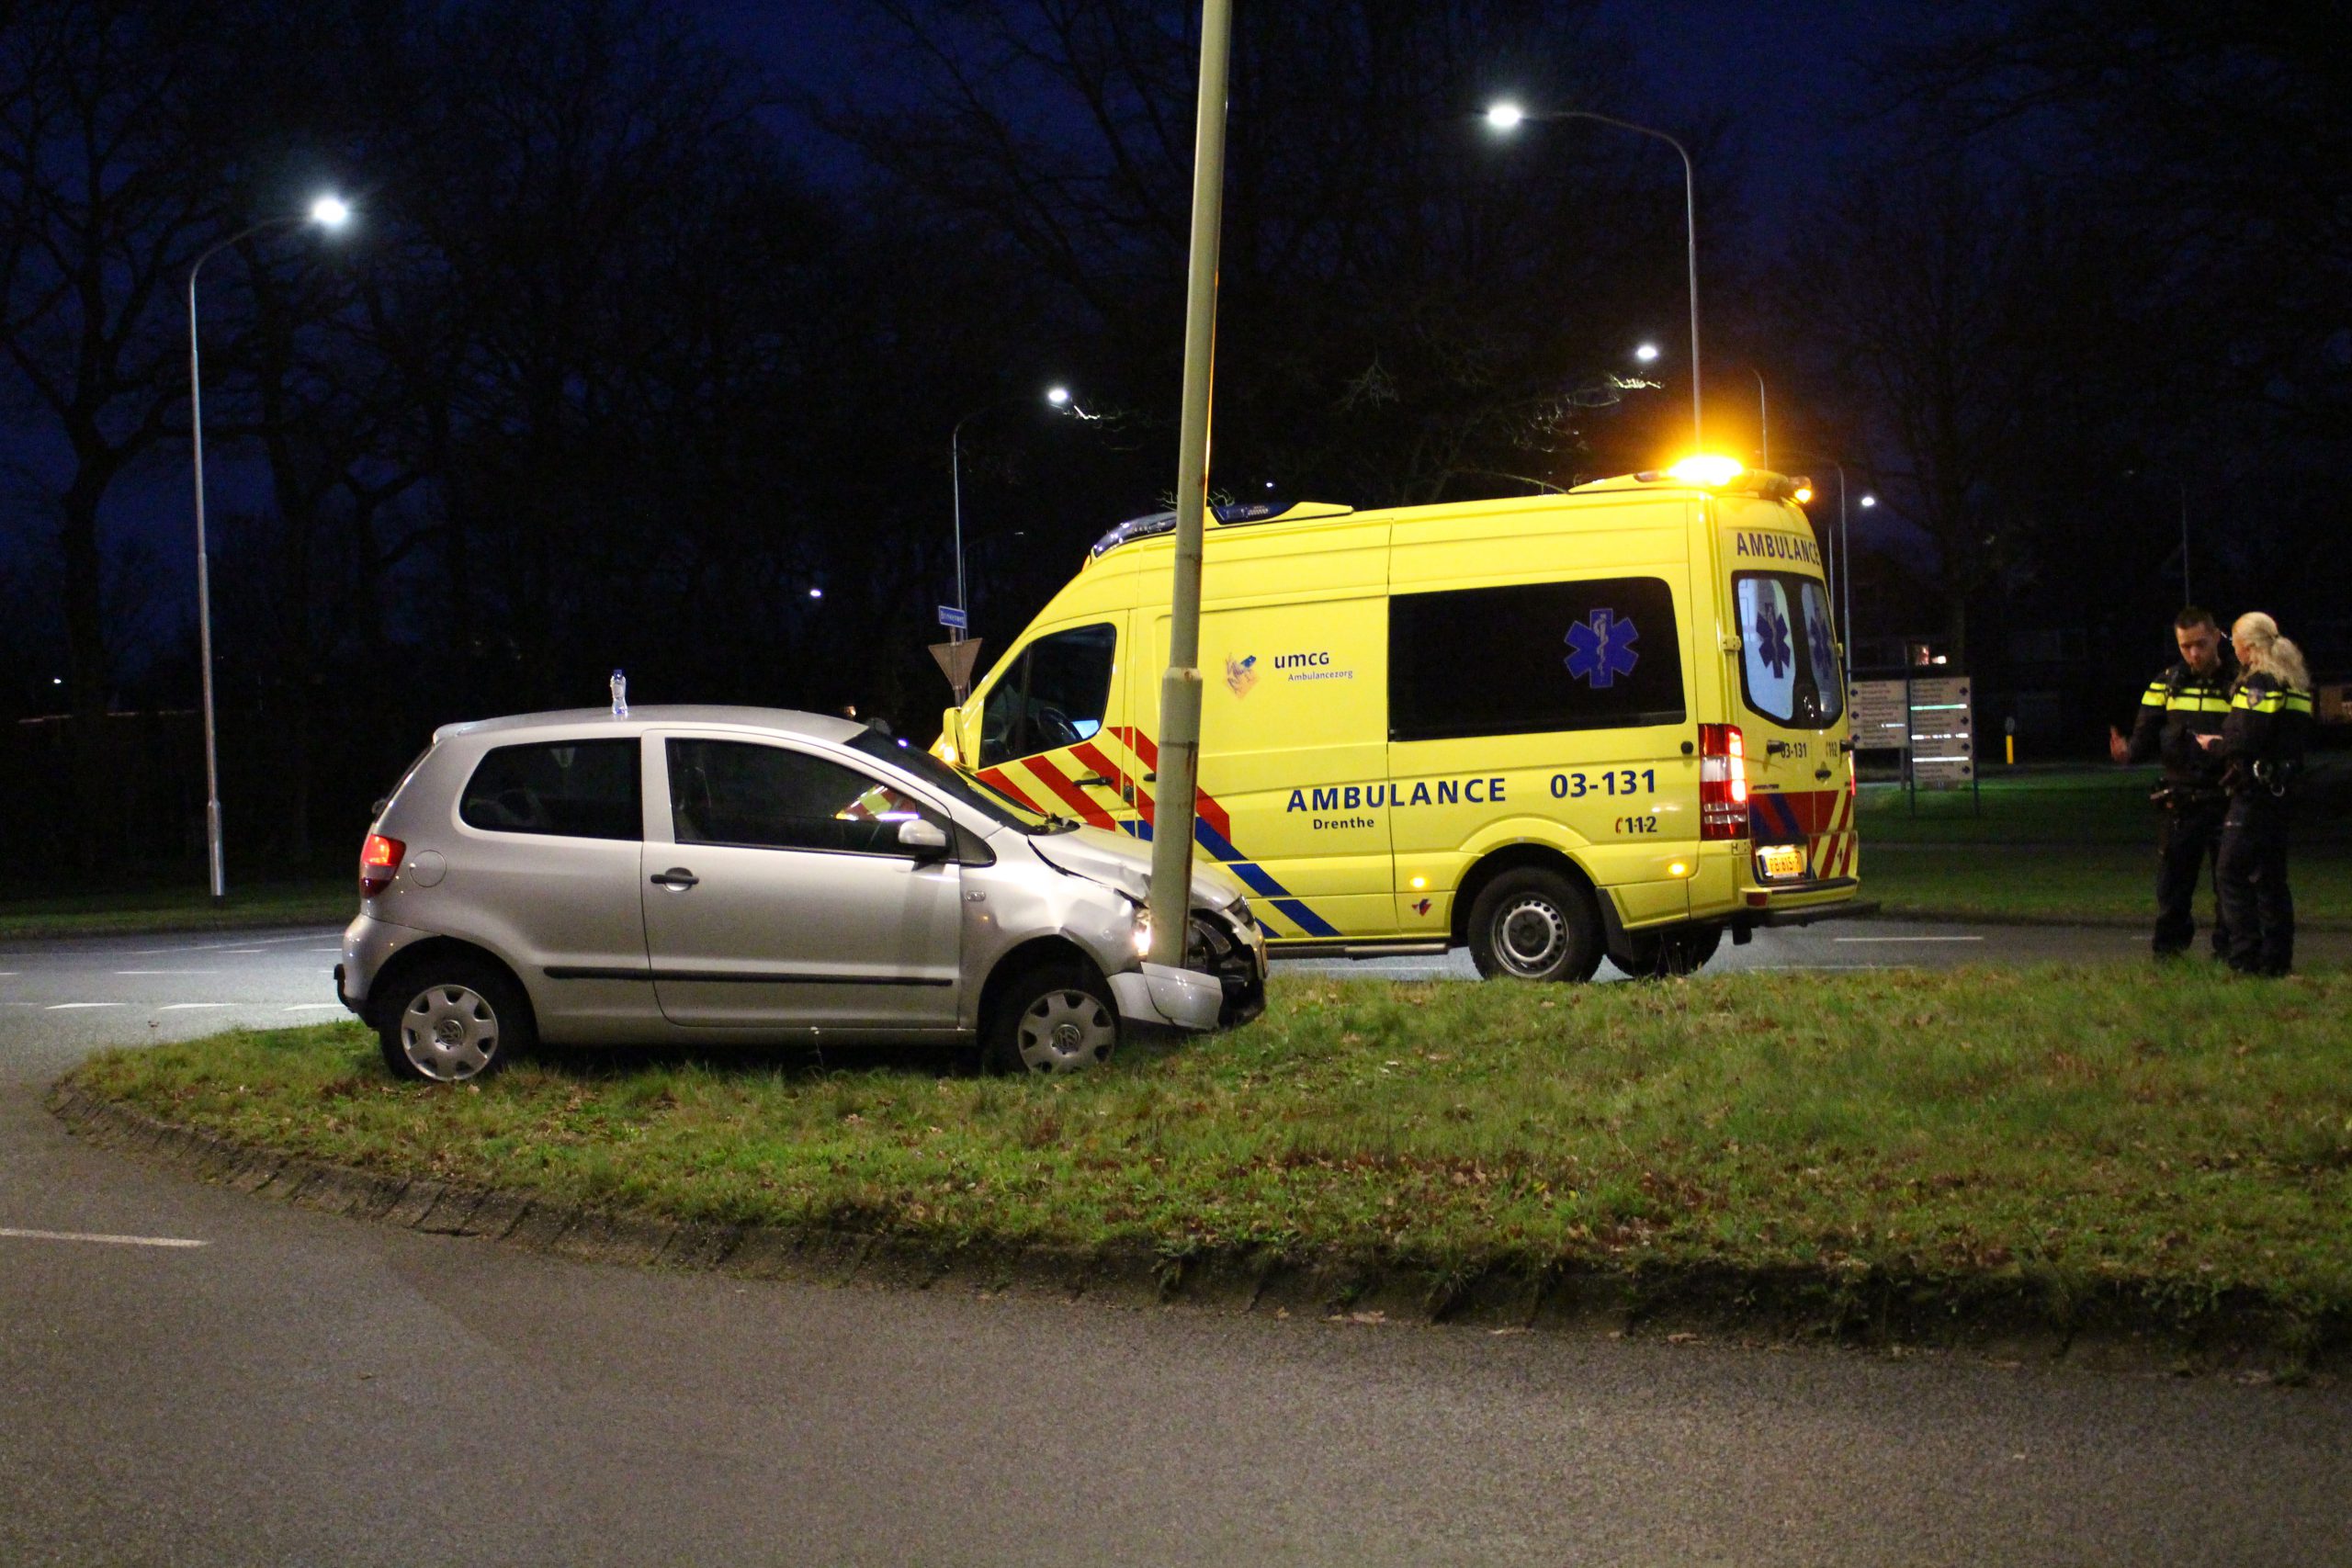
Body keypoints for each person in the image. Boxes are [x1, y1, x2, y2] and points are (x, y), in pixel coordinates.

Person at [2108, 607, 2236, 959]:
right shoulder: (2166, 682)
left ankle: (2228, 953)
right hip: (2182, 800)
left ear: (2216, 637)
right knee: (2173, 885)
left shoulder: (2238, 681)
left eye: (2200, 644)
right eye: (2185, 646)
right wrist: (2127, 753)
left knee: (2229, 886)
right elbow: (2143, 735)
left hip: (2227, 795)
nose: (2193, 653)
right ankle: (2169, 955)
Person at [2212, 612, 2314, 976]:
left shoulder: (2261, 682)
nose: (2233, 650)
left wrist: (2215, 745)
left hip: (2255, 792)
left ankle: (2245, 959)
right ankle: (2276, 961)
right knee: (2271, 877)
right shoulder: (2295, 681)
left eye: (2234, 643)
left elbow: (2245, 738)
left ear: (2249, 646)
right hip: (2282, 791)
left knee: (2230, 872)